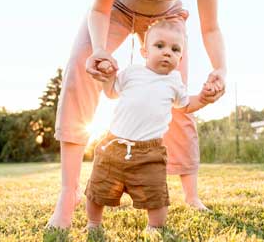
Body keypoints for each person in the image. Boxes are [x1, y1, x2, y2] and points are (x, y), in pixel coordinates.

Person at [47, 0, 226, 229]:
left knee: (177, 94)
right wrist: (99, 50)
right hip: (115, 11)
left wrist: (220, 68)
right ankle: (67, 196)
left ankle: (191, 193)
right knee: (78, 74)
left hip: (166, 19)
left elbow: (211, 28)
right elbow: (98, 8)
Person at [85, 20, 214, 236]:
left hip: (150, 152)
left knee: (156, 195)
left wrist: (204, 98)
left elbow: (187, 105)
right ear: (145, 51)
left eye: (175, 49)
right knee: (98, 189)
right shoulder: (132, 72)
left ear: (180, 58)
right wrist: (107, 77)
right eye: (159, 46)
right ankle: (93, 223)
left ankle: (154, 227)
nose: (167, 53)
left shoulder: (174, 81)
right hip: (114, 146)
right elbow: (111, 92)